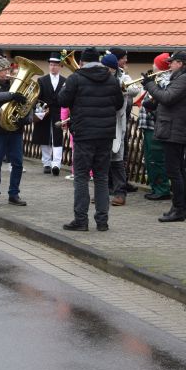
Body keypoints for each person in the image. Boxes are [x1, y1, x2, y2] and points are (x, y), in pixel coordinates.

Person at [59, 47, 124, 232]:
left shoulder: (75, 78)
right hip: (105, 136)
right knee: (102, 178)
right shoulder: (111, 79)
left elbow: (62, 100)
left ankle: (81, 220)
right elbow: (118, 104)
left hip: (84, 135)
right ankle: (102, 222)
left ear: (82, 62)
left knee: (81, 177)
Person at [141, 51, 186, 223]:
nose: (169, 65)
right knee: (178, 170)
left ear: (180, 63)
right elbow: (172, 102)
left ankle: (179, 209)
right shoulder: (182, 77)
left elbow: (168, 97)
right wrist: (154, 105)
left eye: (172, 62)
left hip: (175, 130)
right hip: (173, 128)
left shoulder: (185, 78)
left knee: (175, 171)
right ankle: (178, 207)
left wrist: (150, 85)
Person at [0, 56, 30, 206]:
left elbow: (28, 101)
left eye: (8, 69)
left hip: (15, 128)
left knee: (17, 163)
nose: (7, 72)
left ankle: (14, 194)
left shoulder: (14, 83)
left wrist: (25, 118)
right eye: (4, 70)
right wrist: (11, 95)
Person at [107, 47, 141, 204]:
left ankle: (120, 192)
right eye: (123, 58)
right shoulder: (99, 76)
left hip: (117, 123)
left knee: (118, 158)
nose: (126, 61)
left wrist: (123, 87)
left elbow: (135, 89)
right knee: (103, 159)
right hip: (102, 124)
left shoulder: (123, 76)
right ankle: (105, 189)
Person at [139, 53, 172, 201]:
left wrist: (150, 109)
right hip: (148, 126)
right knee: (150, 159)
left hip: (155, 127)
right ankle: (155, 187)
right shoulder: (157, 79)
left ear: (159, 66)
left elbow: (161, 103)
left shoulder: (164, 81)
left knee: (156, 159)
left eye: (155, 63)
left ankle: (162, 189)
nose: (152, 65)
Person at [33, 52, 66, 176]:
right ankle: (46, 163)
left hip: (58, 112)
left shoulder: (65, 81)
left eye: (55, 65)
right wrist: (40, 114)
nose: (52, 67)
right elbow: (38, 97)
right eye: (51, 65)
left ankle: (56, 164)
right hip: (45, 111)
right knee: (44, 137)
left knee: (58, 138)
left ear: (60, 66)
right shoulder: (41, 80)